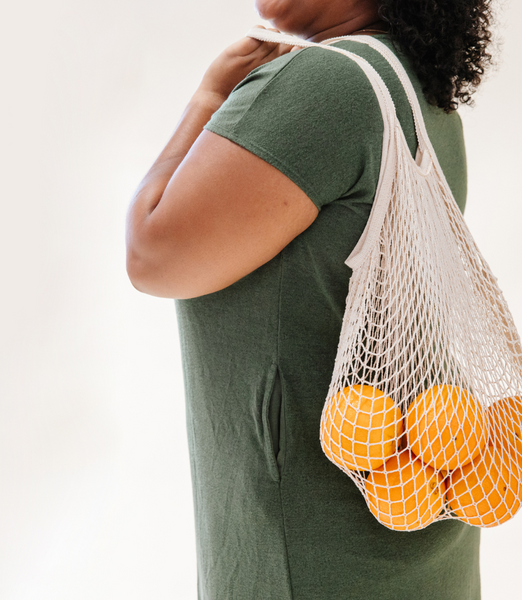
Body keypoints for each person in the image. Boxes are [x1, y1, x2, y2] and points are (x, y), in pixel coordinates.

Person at [126, 0, 494, 598]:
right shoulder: (415, 81)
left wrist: (205, 100)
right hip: (414, 521)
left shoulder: (327, 84)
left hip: (311, 550)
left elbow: (151, 257)